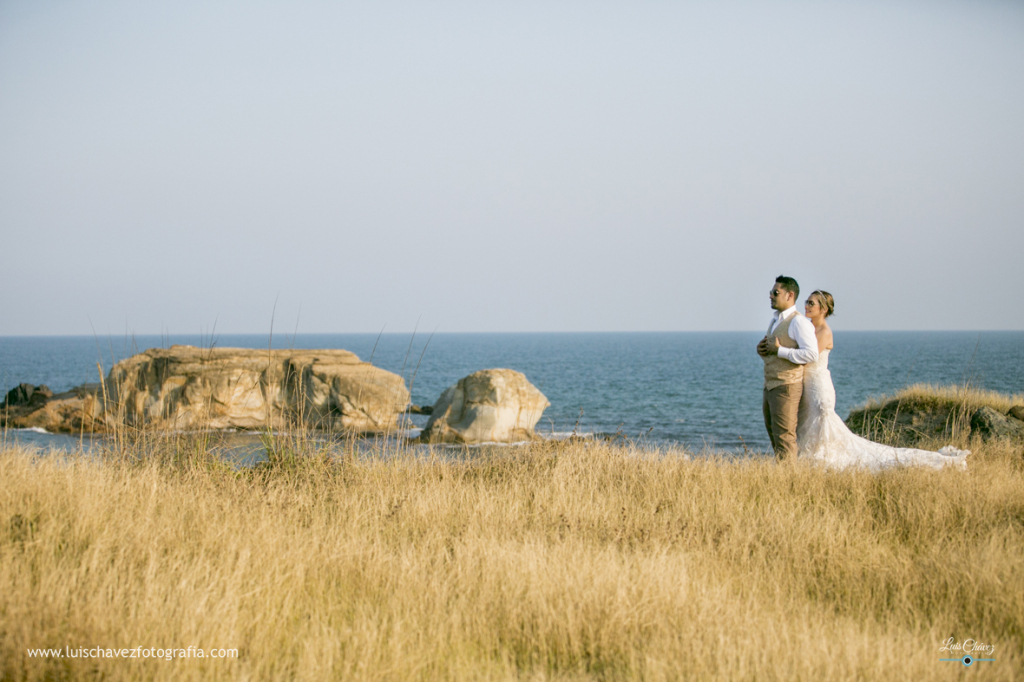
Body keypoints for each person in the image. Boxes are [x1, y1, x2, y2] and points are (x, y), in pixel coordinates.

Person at [796, 290, 969, 470]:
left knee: (822, 422)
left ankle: (820, 460)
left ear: (823, 309)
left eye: (811, 303)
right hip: (808, 385)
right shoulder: (808, 328)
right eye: (807, 302)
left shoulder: (824, 331)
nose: (806, 306)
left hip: (819, 385)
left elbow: (808, 356)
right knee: (808, 424)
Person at [757, 275, 818, 460]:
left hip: (787, 386)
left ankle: (790, 480)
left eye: (776, 293)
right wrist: (763, 350)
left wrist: (779, 350)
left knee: (785, 437)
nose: (771, 296)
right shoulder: (775, 320)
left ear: (790, 295)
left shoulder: (799, 322)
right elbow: (775, 349)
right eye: (771, 293)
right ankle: (782, 476)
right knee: (774, 435)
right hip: (771, 385)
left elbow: (811, 354)